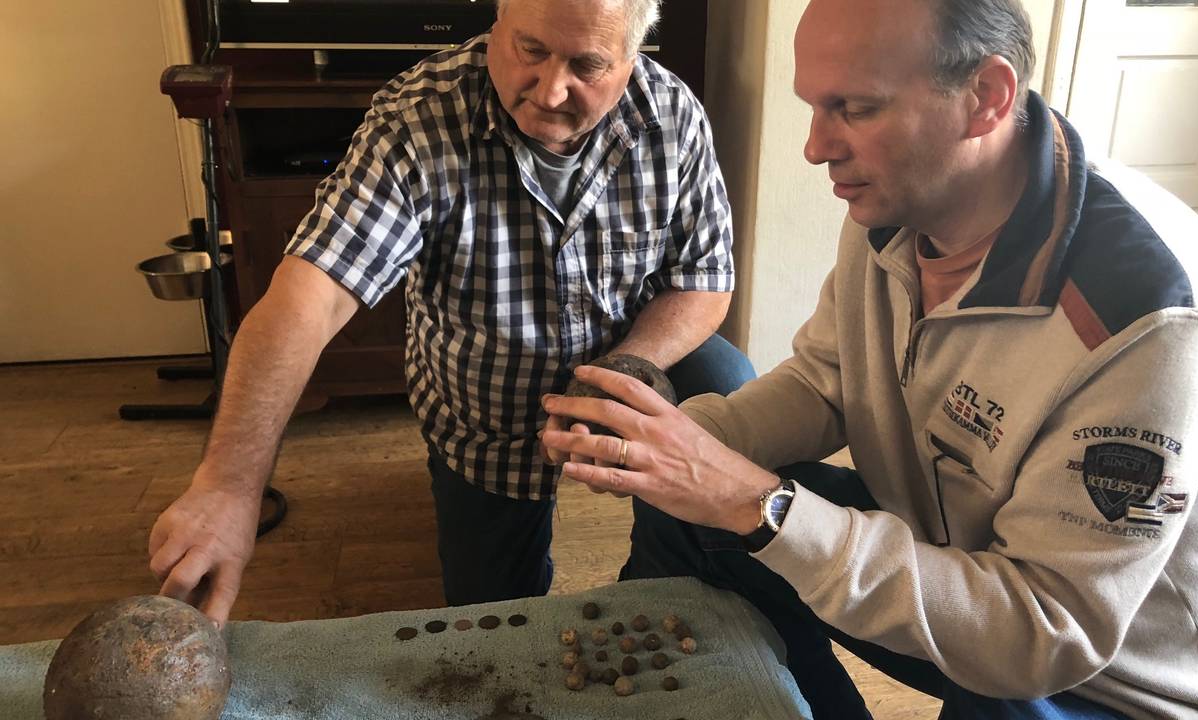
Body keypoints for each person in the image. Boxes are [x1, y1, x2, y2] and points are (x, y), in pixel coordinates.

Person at [539, 0, 1198, 717]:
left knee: (983, 688)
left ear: (985, 97)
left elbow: (1038, 636)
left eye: (855, 109)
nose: (816, 146)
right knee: (696, 514)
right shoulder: (897, 202)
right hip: (960, 569)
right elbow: (826, 380)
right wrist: (682, 448)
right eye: (814, 107)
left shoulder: (1149, 317)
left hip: (1100, 684)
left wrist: (751, 501)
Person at [147, 0, 755, 622]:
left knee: (729, 393)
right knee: (487, 618)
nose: (549, 92)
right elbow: (311, 294)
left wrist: (628, 368)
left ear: (631, 60)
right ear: (498, 22)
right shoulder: (416, 117)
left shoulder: (673, 113)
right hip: (480, 410)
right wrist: (228, 486)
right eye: (531, 50)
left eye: (587, 65)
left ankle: (665, 580)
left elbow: (701, 282)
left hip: (625, 370)